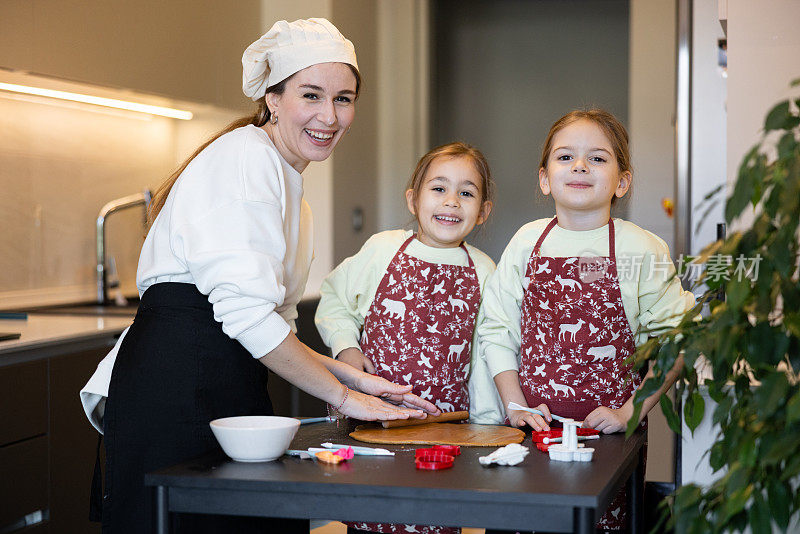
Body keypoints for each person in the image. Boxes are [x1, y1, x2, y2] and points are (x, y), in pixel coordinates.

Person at [82, 18, 438, 534]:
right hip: (179, 388)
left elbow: (273, 324)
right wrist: (344, 398)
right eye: (311, 95)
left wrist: (354, 376)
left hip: (226, 381)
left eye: (344, 98)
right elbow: (248, 317)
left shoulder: (291, 186)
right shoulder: (247, 158)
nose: (329, 115)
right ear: (272, 98)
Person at [478, 109, 695, 532]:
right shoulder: (527, 240)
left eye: (597, 158)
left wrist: (629, 414)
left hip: (611, 439)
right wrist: (516, 404)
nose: (579, 166)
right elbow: (497, 328)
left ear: (623, 181)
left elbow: (674, 343)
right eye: (565, 157)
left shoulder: (641, 248)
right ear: (544, 178)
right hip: (530, 430)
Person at [315, 142, 503, 534]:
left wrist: (487, 430)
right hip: (372, 424)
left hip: (445, 433)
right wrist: (347, 349)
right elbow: (335, 299)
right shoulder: (383, 249)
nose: (451, 201)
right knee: (370, 517)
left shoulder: (485, 271)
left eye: (466, 193)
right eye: (439, 188)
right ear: (413, 199)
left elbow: (488, 355)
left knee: (435, 519)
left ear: (483, 211)